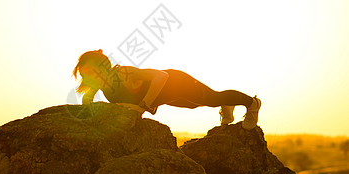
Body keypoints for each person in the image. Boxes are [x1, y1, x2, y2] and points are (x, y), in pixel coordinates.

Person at [72, 49, 262, 130]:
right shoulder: (101, 87)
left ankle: (252, 103)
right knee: (193, 106)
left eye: (90, 72)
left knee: (212, 98)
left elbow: (161, 76)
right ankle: (227, 105)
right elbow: (87, 102)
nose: (88, 78)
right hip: (167, 97)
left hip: (175, 82)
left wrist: (144, 105)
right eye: (85, 75)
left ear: (101, 67)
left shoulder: (124, 73)